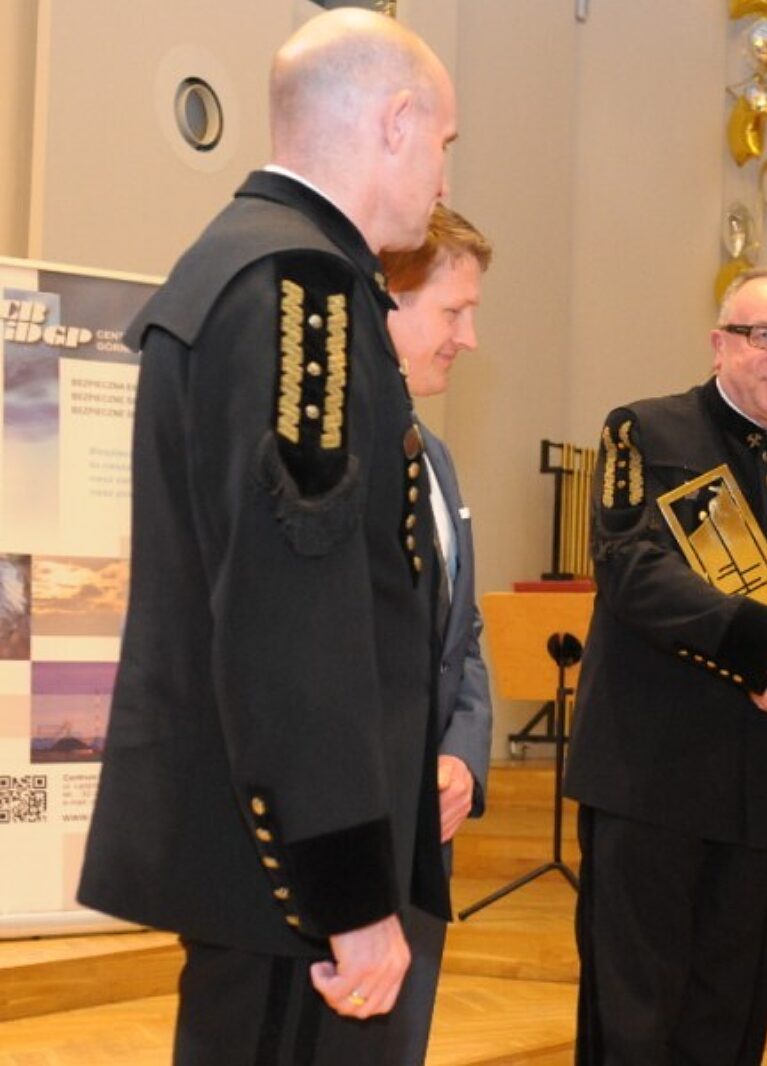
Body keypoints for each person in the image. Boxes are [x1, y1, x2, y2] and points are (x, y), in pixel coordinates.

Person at [77, 10, 459, 1063]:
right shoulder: (303, 290)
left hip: (264, 844)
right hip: (292, 876)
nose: (443, 171)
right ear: (395, 121)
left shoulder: (254, 263)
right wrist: (347, 890)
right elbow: (293, 615)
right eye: (444, 140)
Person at [563, 267, 767, 1065]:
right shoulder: (645, 432)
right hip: (648, 775)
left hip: (758, 786)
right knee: (635, 1015)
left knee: (730, 1013)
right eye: (764, 335)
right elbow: (631, 570)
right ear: (719, 343)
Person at [377, 203, 495, 1064]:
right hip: (355, 823)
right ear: (387, 302)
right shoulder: (338, 455)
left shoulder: (436, 455)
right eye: (454, 312)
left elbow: (464, 632)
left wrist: (462, 756)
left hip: (429, 824)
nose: (469, 339)